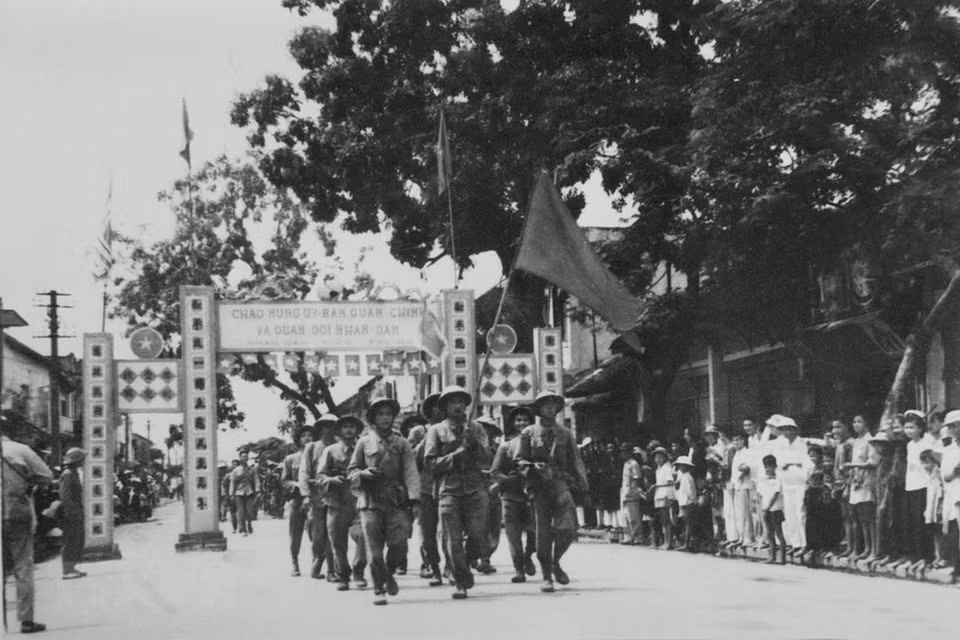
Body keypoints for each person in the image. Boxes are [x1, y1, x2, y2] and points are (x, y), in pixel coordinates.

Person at [348, 395, 420, 606]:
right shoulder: (363, 442)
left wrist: (415, 500)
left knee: (399, 543)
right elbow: (351, 471)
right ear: (373, 418)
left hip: (396, 499)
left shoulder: (402, 443)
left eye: (388, 414)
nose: (385, 418)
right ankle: (379, 587)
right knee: (374, 548)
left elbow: (411, 472)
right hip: (370, 500)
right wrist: (363, 473)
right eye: (380, 414)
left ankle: (389, 572)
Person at [516, 391, 588, 593]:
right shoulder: (528, 432)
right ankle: (547, 575)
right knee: (542, 534)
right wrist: (530, 468)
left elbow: (576, 460)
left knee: (569, 527)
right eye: (544, 404)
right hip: (538, 486)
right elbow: (519, 460)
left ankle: (556, 561)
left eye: (552, 404)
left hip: (560, 482)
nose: (549, 408)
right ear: (538, 409)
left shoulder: (565, 433)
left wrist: (584, 485)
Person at [424, 386, 491, 600]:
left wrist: (474, 446)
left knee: (478, 535)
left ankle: (467, 562)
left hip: (475, 487)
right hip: (449, 490)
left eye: (462, 401)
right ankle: (460, 580)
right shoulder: (436, 430)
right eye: (453, 402)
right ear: (445, 407)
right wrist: (456, 454)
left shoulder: (477, 428)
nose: (458, 405)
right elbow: (431, 463)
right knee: (452, 539)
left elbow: (487, 459)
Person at [1, 423, 53, 634]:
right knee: (23, 567)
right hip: (16, 511)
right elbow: (47, 476)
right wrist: (29, 481)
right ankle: (26, 621)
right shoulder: (19, 449)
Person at [317, 415, 368, 591]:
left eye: (352, 427)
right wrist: (332, 479)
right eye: (345, 427)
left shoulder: (364, 448)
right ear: (338, 431)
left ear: (357, 430)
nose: (349, 430)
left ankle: (359, 572)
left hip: (360, 500)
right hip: (336, 502)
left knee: (364, 537)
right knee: (338, 543)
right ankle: (343, 576)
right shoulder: (331, 451)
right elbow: (319, 476)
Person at [490, 405, 538, 582]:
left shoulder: (536, 445)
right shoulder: (506, 447)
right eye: (518, 420)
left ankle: (528, 556)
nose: (522, 423)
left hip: (532, 495)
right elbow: (495, 472)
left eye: (525, 420)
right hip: (511, 496)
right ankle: (519, 569)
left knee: (535, 533)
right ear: (512, 423)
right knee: (513, 535)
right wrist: (509, 479)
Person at [410, 393, 445, 586]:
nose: (439, 411)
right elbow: (412, 458)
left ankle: (451, 566)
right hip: (425, 487)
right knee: (427, 531)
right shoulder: (419, 431)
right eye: (436, 407)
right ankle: (432, 565)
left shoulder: (454, 429)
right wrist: (430, 435)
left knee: (449, 531)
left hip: (448, 486)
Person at [298, 414, 339, 580]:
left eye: (331, 426)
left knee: (333, 532)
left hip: (335, 494)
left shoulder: (339, 447)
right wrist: (306, 495)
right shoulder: (312, 447)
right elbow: (304, 471)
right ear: (320, 428)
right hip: (316, 496)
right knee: (318, 533)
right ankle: (318, 560)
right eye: (325, 426)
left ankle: (332, 569)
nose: (328, 429)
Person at [771, 416, 807, 553]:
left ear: (794, 430)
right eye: (784, 430)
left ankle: (804, 544)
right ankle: (795, 543)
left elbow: (805, 463)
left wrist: (794, 464)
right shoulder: (783, 446)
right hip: (787, 483)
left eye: (789, 429)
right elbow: (778, 463)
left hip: (799, 483)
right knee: (790, 514)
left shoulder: (802, 444)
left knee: (800, 513)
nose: (786, 433)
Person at [845, 414, 879, 561]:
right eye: (854, 422)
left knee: (868, 518)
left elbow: (872, 462)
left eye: (859, 422)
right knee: (859, 518)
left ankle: (872, 549)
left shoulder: (870, 440)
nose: (855, 424)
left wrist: (853, 465)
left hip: (866, 482)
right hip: (855, 481)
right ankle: (863, 548)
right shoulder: (857, 441)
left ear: (867, 424)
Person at [281, 424, 313, 576]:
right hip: (297, 500)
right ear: (298, 439)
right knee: (295, 533)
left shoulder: (319, 456)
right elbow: (284, 481)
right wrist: (296, 484)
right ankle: (295, 562)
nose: (307, 438)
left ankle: (317, 562)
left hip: (315, 500)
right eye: (304, 436)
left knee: (317, 533)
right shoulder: (290, 459)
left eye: (310, 435)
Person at [904, 412, 936, 565]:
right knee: (914, 521)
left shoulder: (927, 441)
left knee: (924, 520)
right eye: (906, 427)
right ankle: (917, 554)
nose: (908, 430)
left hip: (925, 485)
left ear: (920, 428)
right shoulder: (909, 445)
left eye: (912, 427)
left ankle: (927, 555)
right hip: (912, 485)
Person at [475, 415, 502, 574]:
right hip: (474, 488)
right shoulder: (471, 448)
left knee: (493, 526)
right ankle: (474, 555)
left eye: (488, 429)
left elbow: (505, 469)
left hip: (493, 489)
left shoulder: (499, 449)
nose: (485, 432)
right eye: (482, 428)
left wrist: (498, 483)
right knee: (476, 526)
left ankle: (486, 558)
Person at [59, 447, 87, 579]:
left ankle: (71, 567)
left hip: (76, 512)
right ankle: (67, 570)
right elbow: (65, 496)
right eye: (81, 459)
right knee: (70, 541)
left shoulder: (73, 473)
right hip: (71, 514)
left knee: (76, 540)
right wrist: (72, 513)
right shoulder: (68, 474)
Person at [939, 410, 960, 578]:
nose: (955, 429)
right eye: (952, 427)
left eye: (957, 425)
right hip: (956, 494)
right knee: (956, 531)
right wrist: (955, 471)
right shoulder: (949, 450)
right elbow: (945, 476)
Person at [920, 448, 947, 570]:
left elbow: (941, 492)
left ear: (934, 462)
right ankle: (937, 556)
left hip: (938, 507)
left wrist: (939, 508)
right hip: (931, 506)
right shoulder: (928, 475)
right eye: (923, 462)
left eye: (927, 462)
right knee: (935, 533)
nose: (925, 465)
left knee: (940, 532)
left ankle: (943, 557)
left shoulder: (938, 474)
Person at [758, 453, 786, 564]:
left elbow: (776, 493)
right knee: (770, 533)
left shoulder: (778, 478)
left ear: (775, 466)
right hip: (766, 509)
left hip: (776, 509)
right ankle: (772, 556)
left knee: (779, 533)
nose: (768, 469)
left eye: (770, 466)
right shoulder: (763, 479)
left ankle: (782, 558)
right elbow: (760, 494)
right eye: (766, 467)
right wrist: (764, 507)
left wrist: (768, 506)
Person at [229, 450, 260, 536]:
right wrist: (231, 494)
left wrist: (257, 491)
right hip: (239, 493)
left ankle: (249, 523)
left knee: (250, 511)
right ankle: (243, 529)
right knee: (241, 511)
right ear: (240, 458)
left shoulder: (252, 469)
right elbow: (232, 483)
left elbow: (256, 480)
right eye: (242, 456)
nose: (244, 458)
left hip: (249, 492)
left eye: (246, 456)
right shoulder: (235, 470)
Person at [652, 446, 676, 550]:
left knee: (667, 520)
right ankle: (666, 541)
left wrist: (656, 486)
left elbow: (670, 483)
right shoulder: (658, 469)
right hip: (659, 495)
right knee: (663, 521)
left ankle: (669, 542)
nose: (658, 459)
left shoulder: (667, 467)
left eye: (660, 457)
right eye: (656, 457)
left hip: (666, 495)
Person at [620, 445, 644, 545]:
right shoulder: (626, 464)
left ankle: (638, 537)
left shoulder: (633, 464)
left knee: (633, 517)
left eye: (625, 451)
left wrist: (632, 491)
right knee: (625, 517)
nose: (623, 453)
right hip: (624, 492)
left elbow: (637, 478)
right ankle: (628, 537)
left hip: (631, 493)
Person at [674, 455, 697, 551]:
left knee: (688, 523)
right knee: (686, 523)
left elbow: (690, 491)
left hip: (688, 503)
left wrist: (693, 500)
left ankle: (686, 543)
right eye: (679, 465)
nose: (680, 467)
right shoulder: (683, 477)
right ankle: (685, 543)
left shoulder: (688, 477)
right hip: (683, 502)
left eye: (682, 465)